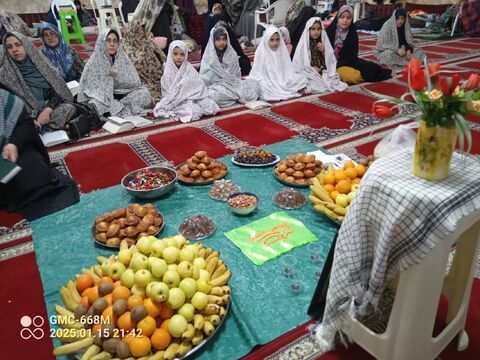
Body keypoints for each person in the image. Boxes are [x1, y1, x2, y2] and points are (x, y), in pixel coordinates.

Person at [0, 87, 79, 220]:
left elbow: (25, 124)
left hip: (12, 152)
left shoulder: (3, 97)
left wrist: (14, 143)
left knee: (34, 170)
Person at [0, 32, 76, 131]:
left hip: (47, 109)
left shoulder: (42, 64)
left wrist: (48, 110)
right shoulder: (4, 75)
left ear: (26, 45)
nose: (14, 50)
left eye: (18, 45)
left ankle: (40, 130)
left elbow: (58, 91)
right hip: (22, 117)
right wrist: (27, 118)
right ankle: (40, 129)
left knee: (68, 109)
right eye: (9, 47)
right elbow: (6, 104)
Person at [78, 29, 151, 117]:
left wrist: (117, 76)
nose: (112, 44)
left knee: (144, 93)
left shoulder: (122, 58)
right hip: (103, 98)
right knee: (95, 104)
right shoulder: (94, 62)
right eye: (108, 40)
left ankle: (118, 107)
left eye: (115, 41)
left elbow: (135, 82)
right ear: (102, 42)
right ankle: (117, 109)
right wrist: (107, 76)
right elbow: (88, 88)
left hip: (122, 96)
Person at [153, 41, 219, 122]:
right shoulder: (167, 71)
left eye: (182, 54)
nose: (178, 57)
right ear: (170, 54)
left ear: (186, 55)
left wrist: (185, 87)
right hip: (175, 101)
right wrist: (179, 92)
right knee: (190, 111)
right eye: (175, 54)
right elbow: (166, 91)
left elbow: (199, 85)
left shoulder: (188, 68)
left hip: (190, 98)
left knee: (207, 105)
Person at [326, 5, 391, 84]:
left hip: (348, 62)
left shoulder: (352, 33)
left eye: (348, 18)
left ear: (351, 19)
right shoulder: (329, 32)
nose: (345, 20)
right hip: (331, 65)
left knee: (372, 68)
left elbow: (352, 56)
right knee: (353, 77)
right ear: (337, 18)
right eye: (342, 17)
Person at [200, 26, 260, 107]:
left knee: (256, 85)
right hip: (216, 87)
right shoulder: (209, 56)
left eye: (224, 39)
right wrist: (217, 78)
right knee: (212, 95)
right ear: (213, 41)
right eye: (218, 39)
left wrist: (226, 79)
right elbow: (205, 76)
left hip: (232, 85)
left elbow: (236, 76)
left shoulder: (231, 54)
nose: (222, 42)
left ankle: (234, 97)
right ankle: (236, 97)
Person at [248, 26, 307, 101]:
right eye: (272, 40)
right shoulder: (261, 52)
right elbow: (258, 73)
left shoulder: (282, 50)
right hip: (267, 80)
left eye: (277, 40)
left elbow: (287, 70)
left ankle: (281, 87)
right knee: (262, 86)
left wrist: (282, 80)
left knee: (302, 78)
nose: (275, 43)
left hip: (283, 79)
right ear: (266, 40)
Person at [292, 17, 347, 94]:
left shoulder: (323, 41)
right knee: (303, 80)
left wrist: (324, 51)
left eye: (318, 29)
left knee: (333, 79)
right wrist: (311, 68)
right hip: (309, 71)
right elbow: (300, 64)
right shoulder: (304, 44)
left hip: (322, 70)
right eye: (313, 29)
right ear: (308, 30)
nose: (316, 32)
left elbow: (331, 61)